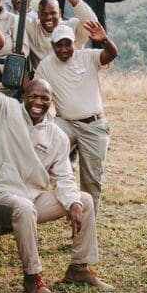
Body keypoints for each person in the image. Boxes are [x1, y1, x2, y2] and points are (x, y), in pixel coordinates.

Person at [0, 22, 112, 293]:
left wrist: (72, 202)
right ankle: (32, 279)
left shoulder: (57, 135)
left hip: (34, 199)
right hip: (2, 199)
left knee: (84, 200)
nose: (38, 102)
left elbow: (63, 176)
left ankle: (79, 268)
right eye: (33, 96)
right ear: (24, 97)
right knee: (23, 207)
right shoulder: (5, 111)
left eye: (44, 98)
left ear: (51, 102)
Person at [34, 22, 118, 213]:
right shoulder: (46, 65)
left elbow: (111, 54)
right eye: (59, 45)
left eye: (68, 44)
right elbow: (36, 89)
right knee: (42, 139)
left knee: (92, 180)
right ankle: (44, 194)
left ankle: (87, 220)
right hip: (66, 123)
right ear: (53, 45)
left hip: (93, 125)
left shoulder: (87, 56)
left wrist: (104, 40)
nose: (64, 49)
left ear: (74, 43)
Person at [25, 0, 98, 67]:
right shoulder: (32, 27)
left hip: (71, 74)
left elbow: (93, 23)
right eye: (44, 14)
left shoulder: (72, 26)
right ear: (38, 15)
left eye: (53, 13)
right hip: (41, 74)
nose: (49, 17)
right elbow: (13, 21)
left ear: (59, 13)